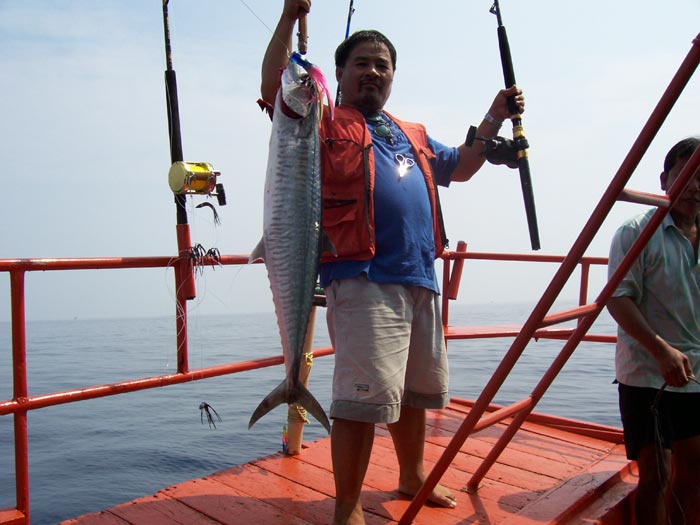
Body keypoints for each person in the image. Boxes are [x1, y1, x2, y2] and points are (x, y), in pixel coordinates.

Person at [260, 1, 524, 523]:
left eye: (382, 64)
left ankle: (412, 474)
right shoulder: (322, 118)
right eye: (361, 62)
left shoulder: (414, 134)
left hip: (419, 278)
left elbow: (464, 165)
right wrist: (290, 16)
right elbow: (275, 87)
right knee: (361, 401)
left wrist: (495, 114)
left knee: (413, 392)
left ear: (393, 76)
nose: (373, 72)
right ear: (338, 74)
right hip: (362, 277)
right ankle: (348, 505)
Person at [606, 136, 700, 525]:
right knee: (656, 474)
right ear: (665, 180)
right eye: (686, 174)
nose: (695, 186)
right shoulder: (635, 232)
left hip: (695, 375)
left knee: (694, 471)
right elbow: (618, 298)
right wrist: (661, 351)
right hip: (647, 374)